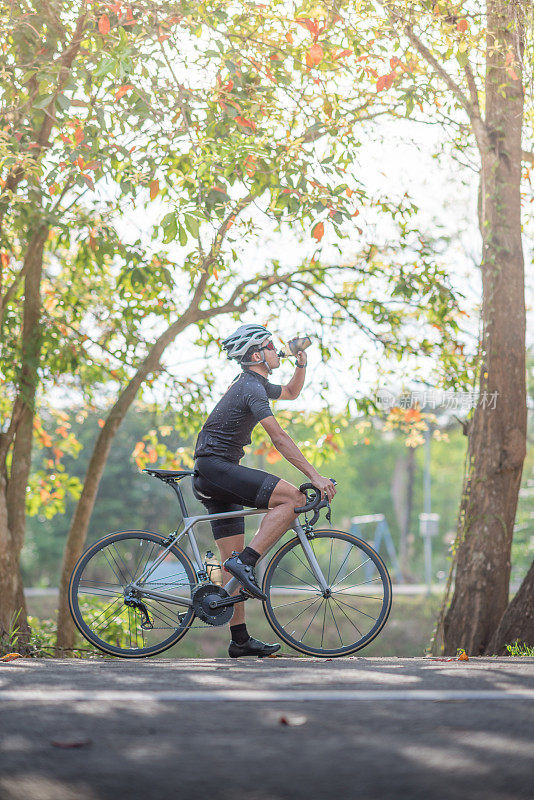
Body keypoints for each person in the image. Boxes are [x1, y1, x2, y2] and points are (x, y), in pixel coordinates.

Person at [192, 323, 337, 658]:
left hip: (213, 473)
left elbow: (290, 392)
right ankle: (247, 561)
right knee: (293, 498)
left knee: (234, 563)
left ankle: (240, 640)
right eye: (272, 346)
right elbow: (280, 438)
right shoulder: (250, 387)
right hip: (216, 469)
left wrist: (301, 363)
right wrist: (314, 475)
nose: (278, 350)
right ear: (257, 354)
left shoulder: (253, 383)